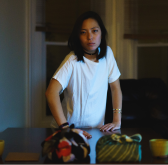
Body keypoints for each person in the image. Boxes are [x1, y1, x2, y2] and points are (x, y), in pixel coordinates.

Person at [45, 11, 122, 139]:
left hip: (96, 131)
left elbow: (115, 88)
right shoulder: (72, 60)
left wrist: (117, 120)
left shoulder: (108, 54)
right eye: (83, 32)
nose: (89, 37)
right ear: (78, 37)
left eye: (94, 31)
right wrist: (65, 128)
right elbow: (51, 93)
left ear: (101, 34)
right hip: (69, 132)